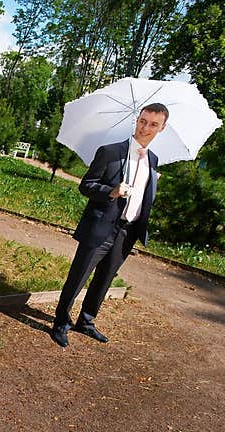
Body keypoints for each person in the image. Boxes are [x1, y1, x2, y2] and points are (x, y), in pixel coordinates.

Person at [51, 103, 168, 347]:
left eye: (153, 124)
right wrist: (112, 191)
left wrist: (151, 185)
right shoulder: (111, 152)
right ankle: (61, 322)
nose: (146, 128)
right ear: (137, 119)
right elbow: (86, 185)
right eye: (143, 121)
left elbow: (144, 197)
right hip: (101, 227)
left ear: (162, 128)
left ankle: (86, 320)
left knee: (104, 280)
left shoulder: (154, 161)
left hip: (127, 231)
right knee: (79, 276)